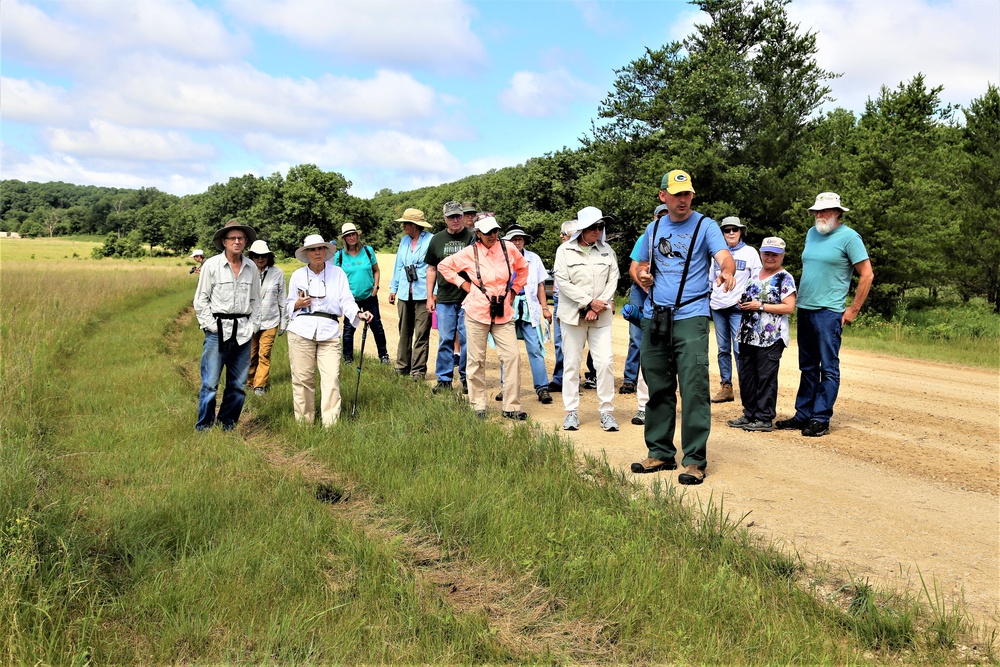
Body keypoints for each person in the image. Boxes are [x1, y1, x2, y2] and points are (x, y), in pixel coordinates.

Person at [629, 170, 735, 485]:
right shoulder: (653, 228)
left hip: (691, 315)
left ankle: (694, 460)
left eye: (687, 193)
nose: (683, 200)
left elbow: (724, 257)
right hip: (655, 316)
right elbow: (637, 265)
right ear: (663, 196)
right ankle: (660, 452)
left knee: (694, 387)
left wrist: (727, 272)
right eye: (676, 195)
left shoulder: (706, 226)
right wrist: (641, 276)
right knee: (658, 386)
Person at [776, 192, 874, 437]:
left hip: (829, 311)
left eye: (825, 211)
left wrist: (852, 310)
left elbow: (867, 274)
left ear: (838, 212)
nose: (819, 215)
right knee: (807, 366)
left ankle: (821, 418)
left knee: (828, 367)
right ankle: (803, 415)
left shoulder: (850, 237)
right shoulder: (812, 234)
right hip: (806, 308)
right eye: (817, 211)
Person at [437, 215, 529, 420]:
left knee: (513, 356)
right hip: (477, 311)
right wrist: (464, 285)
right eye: (488, 232)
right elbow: (444, 266)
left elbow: (523, 268)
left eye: (495, 231)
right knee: (476, 359)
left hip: (503, 311)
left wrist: (514, 289)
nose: (493, 235)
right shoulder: (470, 252)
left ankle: (511, 406)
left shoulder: (507, 248)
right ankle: (477, 405)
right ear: (478, 234)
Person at [285, 235, 373, 427]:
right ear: (306, 253)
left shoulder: (338, 273)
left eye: (320, 249)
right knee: (302, 379)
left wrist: (358, 314)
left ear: (326, 251)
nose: (317, 253)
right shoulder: (298, 275)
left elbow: (347, 301)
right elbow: (287, 305)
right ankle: (304, 423)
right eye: (312, 249)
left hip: (329, 331)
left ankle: (330, 424)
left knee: (331, 378)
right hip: (301, 330)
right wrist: (297, 304)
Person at [553, 206, 620, 432]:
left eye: (600, 227)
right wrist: (588, 302)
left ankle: (607, 412)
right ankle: (571, 411)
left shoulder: (607, 250)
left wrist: (598, 304)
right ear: (582, 229)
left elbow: (614, 279)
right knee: (571, 364)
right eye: (593, 227)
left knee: (604, 363)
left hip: (600, 317)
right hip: (573, 317)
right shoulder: (564, 251)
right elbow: (563, 281)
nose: (598, 231)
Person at [193, 219, 262, 431]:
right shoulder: (211, 265)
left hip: (243, 331)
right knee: (210, 383)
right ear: (224, 241)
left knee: (238, 385)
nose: (237, 241)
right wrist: (210, 326)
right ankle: (204, 426)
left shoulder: (251, 267)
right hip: (217, 331)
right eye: (232, 238)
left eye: (241, 238)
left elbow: (256, 302)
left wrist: (253, 327)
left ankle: (227, 424)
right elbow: (201, 299)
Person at [726, 237, 796, 432]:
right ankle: (750, 414)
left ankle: (764, 417)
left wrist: (761, 306)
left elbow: (789, 307)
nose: (770, 258)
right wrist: (743, 303)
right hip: (748, 333)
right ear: (761, 253)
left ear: (782, 255)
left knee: (765, 377)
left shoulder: (785, 277)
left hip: (771, 337)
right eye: (767, 253)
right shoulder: (755, 273)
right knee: (746, 376)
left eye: (775, 254)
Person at [709, 216, 762, 403]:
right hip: (718, 306)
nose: (731, 233)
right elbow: (710, 279)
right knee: (723, 349)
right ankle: (726, 387)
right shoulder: (716, 254)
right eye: (727, 230)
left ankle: (747, 387)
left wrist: (748, 299)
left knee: (740, 349)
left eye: (735, 229)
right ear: (722, 233)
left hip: (738, 307)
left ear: (741, 232)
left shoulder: (750, 252)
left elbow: (757, 279)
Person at [500, 226, 553, 404]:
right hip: (508, 307)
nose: (517, 242)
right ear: (508, 241)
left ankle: (542, 387)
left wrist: (545, 308)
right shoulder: (501, 257)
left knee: (535, 349)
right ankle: (505, 387)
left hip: (529, 307)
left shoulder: (533, 258)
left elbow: (539, 285)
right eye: (514, 239)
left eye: (520, 239)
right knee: (507, 351)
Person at [426, 201, 475, 394]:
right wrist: (430, 296)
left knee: (467, 339)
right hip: (445, 298)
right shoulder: (437, 239)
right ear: (444, 218)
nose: (455, 220)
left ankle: (466, 378)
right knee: (445, 339)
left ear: (463, 216)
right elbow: (431, 269)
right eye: (451, 217)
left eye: (458, 216)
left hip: (468, 297)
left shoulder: (472, 237)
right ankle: (444, 379)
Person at [621, 204, 667, 395]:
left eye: (666, 216)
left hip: (661, 293)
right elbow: (633, 268)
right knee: (636, 336)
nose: (662, 219)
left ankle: (653, 378)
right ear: (654, 217)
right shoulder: (645, 237)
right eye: (659, 216)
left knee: (659, 337)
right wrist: (644, 287)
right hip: (642, 292)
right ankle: (630, 379)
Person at [549, 220, 597, 393]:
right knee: (560, 341)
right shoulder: (562, 252)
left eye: (566, 234)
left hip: (582, 300)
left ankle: (583, 376)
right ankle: (562, 377)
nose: (563, 237)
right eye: (563, 234)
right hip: (560, 299)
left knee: (582, 341)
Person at [333, 222, 390, 365]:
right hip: (350, 299)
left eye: (353, 234)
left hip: (369, 296)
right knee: (349, 328)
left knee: (376, 326)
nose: (351, 237)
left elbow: (376, 270)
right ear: (344, 238)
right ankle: (347, 358)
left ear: (357, 235)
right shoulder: (339, 256)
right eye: (348, 235)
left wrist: (376, 286)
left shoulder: (368, 250)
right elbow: (335, 277)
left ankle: (383, 356)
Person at [388, 208, 433, 381]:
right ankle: (402, 367)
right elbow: (398, 266)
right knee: (404, 331)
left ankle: (418, 371)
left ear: (415, 225)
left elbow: (434, 268)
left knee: (421, 333)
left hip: (423, 293)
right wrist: (393, 288)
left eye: (405, 223)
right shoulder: (404, 241)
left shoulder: (431, 240)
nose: (403, 226)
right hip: (405, 293)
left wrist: (433, 294)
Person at [246, 240, 286, 395]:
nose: (260, 258)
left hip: (271, 320)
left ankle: (259, 385)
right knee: (250, 354)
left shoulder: (277, 273)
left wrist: (284, 322)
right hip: (250, 321)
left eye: (263, 255)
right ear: (252, 256)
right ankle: (249, 382)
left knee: (264, 353)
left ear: (269, 256)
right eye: (256, 255)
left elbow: (282, 298)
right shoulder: (246, 272)